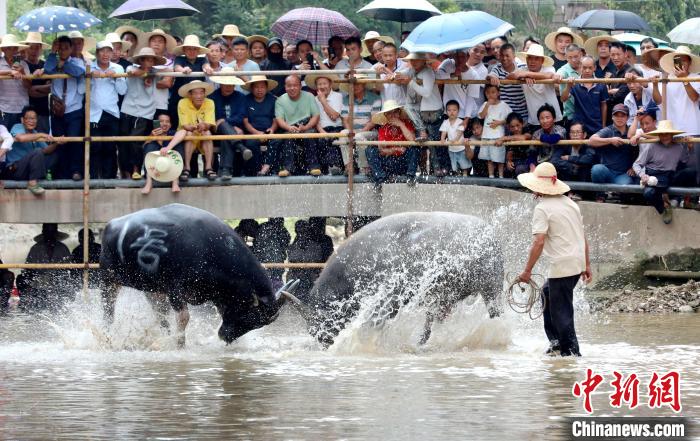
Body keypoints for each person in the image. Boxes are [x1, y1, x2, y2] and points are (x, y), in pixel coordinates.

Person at [518, 162, 591, 357]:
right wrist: (586, 264)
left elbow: (539, 242)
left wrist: (527, 271)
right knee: (547, 293)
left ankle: (571, 354)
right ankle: (556, 343)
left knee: (562, 312)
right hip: (575, 262)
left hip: (562, 265)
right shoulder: (571, 203)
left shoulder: (542, 209)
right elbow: (582, 236)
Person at [44, 35, 86, 180]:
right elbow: (47, 71)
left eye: (66, 48)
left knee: (73, 140)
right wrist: (52, 53)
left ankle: (76, 171)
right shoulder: (52, 61)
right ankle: (60, 174)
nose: (63, 51)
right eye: (60, 48)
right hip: (57, 109)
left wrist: (64, 65)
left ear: (71, 48)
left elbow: (79, 72)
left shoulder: (77, 61)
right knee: (58, 141)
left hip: (74, 109)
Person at [120, 47, 166, 180]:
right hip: (128, 109)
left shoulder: (155, 73)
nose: (149, 62)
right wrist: (146, 74)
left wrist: (150, 74)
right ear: (141, 60)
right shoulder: (131, 68)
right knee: (123, 143)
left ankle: (136, 169)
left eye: (151, 59)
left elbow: (168, 72)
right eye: (146, 59)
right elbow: (133, 72)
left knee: (136, 141)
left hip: (146, 112)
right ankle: (125, 172)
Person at [633, 121, 689, 224]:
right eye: (661, 134)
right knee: (648, 193)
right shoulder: (651, 147)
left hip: (670, 174)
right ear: (658, 135)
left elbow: (685, 160)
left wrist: (687, 145)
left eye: (666, 133)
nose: (664, 136)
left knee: (689, 172)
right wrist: (642, 175)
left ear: (672, 134)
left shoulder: (679, 147)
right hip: (654, 174)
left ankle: (686, 200)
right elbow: (636, 165)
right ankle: (664, 208)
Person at [659, 46, 700, 185]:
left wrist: (684, 80)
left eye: (684, 60)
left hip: (693, 129)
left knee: (695, 167)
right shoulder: (666, 78)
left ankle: (694, 199)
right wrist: (654, 84)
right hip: (672, 130)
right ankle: (677, 198)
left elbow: (695, 98)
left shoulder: (696, 78)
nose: (681, 63)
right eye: (678, 60)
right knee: (674, 167)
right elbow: (658, 100)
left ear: (689, 62)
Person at [4, 106, 65, 195]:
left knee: (54, 155)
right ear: (22, 120)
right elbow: (20, 138)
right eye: (28, 118)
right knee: (37, 151)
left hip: (27, 171)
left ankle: (46, 179)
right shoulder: (17, 127)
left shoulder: (35, 133)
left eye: (34, 118)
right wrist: (41, 135)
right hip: (14, 169)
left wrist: (57, 143)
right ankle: (32, 183)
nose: (31, 121)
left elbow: (46, 150)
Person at [210, 68, 258, 178]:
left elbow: (241, 116)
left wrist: (227, 122)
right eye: (225, 84)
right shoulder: (213, 97)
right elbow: (215, 119)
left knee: (226, 134)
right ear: (220, 84)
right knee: (222, 126)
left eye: (231, 84)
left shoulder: (240, 97)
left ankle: (225, 170)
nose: (228, 87)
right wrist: (225, 123)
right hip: (217, 131)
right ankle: (241, 147)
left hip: (235, 131)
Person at [89, 41, 127, 179]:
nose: (105, 54)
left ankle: (109, 179)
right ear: (97, 53)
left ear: (112, 53)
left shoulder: (118, 68)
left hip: (111, 112)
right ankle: (93, 178)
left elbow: (122, 91)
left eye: (108, 51)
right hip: (93, 114)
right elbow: (82, 90)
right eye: (102, 51)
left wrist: (115, 78)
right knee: (94, 146)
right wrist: (91, 77)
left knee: (110, 147)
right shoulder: (89, 67)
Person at [16, 223, 72, 312]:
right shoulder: (36, 248)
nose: (50, 234)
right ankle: (25, 303)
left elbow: (69, 268)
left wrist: (57, 276)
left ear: (55, 233)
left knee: (68, 282)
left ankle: (63, 305)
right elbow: (28, 268)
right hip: (38, 280)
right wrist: (34, 276)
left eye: (52, 232)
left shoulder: (62, 248)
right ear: (43, 232)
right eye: (47, 232)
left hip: (58, 279)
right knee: (20, 279)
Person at [274, 75, 321, 177]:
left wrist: (306, 127)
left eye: (295, 85)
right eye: (289, 86)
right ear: (285, 87)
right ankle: (287, 168)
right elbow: (280, 120)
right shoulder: (280, 100)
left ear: (300, 86)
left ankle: (313, 167)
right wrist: (289, 127)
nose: (292, 88)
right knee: (287, 138)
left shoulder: (309, 96)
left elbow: (316, 115)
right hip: (290, 128)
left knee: (309, 136)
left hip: (307, 126)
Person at [365, 100, 420, 187]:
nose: (393, 115)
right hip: (389, 162)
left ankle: (410, 176)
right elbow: (381, 149)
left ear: (399, 112)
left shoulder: (407, 124)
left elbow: (412, 140)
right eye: (389, 113)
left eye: (395, 112)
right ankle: (380, 177)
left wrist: (401, 125)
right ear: (386, 116)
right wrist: (396, 149)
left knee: (415, 148)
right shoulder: (383, 128)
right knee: (370, 150)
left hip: (403, 162)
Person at [509, 44, 562, 129]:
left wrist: (526, 74)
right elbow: (510, 76)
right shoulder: (522, 70)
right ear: (526, 59)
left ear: (542, 60)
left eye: (536, 58)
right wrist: (523, 76)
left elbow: (549, 75)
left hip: (553, 117)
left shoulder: (548, 68)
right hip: (534, 118)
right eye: (529, 58)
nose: (532, 61)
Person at [339, 74, 381, 175]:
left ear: (364, 84)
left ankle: (364, 167)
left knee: (359, 136)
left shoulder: (375, 98)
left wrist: (362, 131)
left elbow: (374, 120)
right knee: (342, 134)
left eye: (358, 84)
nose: (355, 86)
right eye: (352, 84)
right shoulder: (346, 99)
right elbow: (345, 119)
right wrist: (350, 131)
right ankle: (349, 166)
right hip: (353, 130)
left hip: (369, 131)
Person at [588, 103, 636, 191]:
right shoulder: (608, 130)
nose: (619, 118)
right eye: (616, 115)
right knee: (597, 170)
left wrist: (633, 167)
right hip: (607, 171)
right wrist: (610, 140)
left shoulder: (631, 132)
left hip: (622, 174)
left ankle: (614, 194)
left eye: (623, 116)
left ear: (627, 118)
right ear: (612, 117)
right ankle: (601, 194)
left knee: (627, 186)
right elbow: (591, 140)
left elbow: (639, 152)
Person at [177, 80, 217, 181]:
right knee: (191, 133)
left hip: (203, 133)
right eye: (195, 93)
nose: (199, 96)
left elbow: (209, 123)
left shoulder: (210, 102)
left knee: (207, 132)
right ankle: (187, 168)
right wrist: (195, 127)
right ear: (190, 95)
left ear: (205, 93)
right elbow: (186, 126)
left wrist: (203, 125)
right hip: (186, 135)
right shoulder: (182, 102)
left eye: (201, 93)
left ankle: (208, 168)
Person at [306, 72, 344, 174]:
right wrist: (322, 131)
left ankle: (334, 166)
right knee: (317, 139)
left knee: (333, 138)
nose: (322, 86)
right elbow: (315, 119)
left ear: (330, 85)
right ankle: (320, 169)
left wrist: (323, 101)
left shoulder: (338, 96)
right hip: (321, 129)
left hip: (336, 127)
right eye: (319, 84)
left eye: (324, 83)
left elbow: (334, 117)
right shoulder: (313, 99)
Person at [561, 56, 609, 135]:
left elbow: (604, 105)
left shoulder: (601, 84)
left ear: (595, 68)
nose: (587, 70)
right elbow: (563, 99)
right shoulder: (574, 83)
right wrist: (568, 86)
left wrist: (603, 125)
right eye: (584, 67)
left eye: (590, 68)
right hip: (579, 126)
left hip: (596, 125)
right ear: (580, 67)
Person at [242, 75, 279, 176]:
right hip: (252, 132)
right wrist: (257, 133)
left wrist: (272, 129)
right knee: (250, 143)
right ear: (252, 88)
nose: (259, 90)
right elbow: (245, 122)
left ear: (266, 88)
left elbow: (276, 119)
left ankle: (266, 168)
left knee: (276, 141)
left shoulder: (273, 100)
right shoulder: (245, 100)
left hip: (269, 132)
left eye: (262, 87)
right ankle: (257, 170)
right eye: (257, 87)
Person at [141, 113, 185, 194]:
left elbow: (183, 131)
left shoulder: (172, 133)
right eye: (161, 121)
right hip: (155, 169)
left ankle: (175, 182)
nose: (164, 123)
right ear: (156, 123)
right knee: (150, 146)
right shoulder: (152, 134)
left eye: (167, 121)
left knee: (177, 145)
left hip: (171, 168)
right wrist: (152, 137)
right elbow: (144, 149)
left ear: (170, 124)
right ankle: (149, 182)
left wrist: (168, 148)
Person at [487, 43, 528, 122]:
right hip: (505, 115)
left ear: (514, 56)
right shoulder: (497, 68)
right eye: (502, 55)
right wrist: (492, 77)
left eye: (507, 55)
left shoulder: (522, 67)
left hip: (523, 113)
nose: (504, 58)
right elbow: (490, 75)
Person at [478, 84, 512, 178]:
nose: (490, 95)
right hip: (486, 135)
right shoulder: (485, 104)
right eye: (488, 93)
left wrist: (499, 122)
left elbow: (509, 119)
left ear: (498, 93)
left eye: (493, 92)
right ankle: (491, 175)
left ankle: (501, 176)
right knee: (489, 158)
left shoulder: (503, 105)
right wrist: (487, 105)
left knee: (499, 158)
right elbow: (481, 116)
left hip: (498, 135)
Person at [21, 32, 52, 134]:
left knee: (43, 140)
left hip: (43, 110)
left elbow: (50, 87)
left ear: (41, 49)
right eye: (31, 47)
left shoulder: (45, 65)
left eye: (37, 47)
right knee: (26, 142)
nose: (34, 51)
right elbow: (28, 91)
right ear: (26, 48)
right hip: (26, 111)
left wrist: (35, 88)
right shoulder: (22, 65)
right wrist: (37, 89)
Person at [143, 29, 177, 118]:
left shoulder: (170, 63)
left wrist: (148, 76)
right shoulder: (139, 61)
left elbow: (166, 83)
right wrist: (161, 73)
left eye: (160, 41)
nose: (156, 44)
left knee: (158, 130)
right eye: (153, 41)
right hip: (140, 105)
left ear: (165, 45)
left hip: (160, 105)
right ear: (149, 43)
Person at [0, 34, 31, 130]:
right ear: (4, 49)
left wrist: (22, 72)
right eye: (9, 48)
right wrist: (10, 71)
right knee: (4, 140)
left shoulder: (23, 64)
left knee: (21, 141)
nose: (13, 51)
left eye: (15, 48)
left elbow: (28, 86)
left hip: (22, 108)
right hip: (3, 108)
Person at [252, 218, 291, 286]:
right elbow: (287, 241)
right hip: (274, 261)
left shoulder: (263, 227)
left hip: (266, 261)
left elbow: (256, 243)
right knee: (275, 281)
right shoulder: (281, 229)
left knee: (267, 280)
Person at [440, 100, 471, 175]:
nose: (452, 112)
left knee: (464, 165)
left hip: (461, 148)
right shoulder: (445, 122)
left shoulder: (460, 121)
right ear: (446, 111)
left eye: (454, 110)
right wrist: (442, 139)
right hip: (451, 149)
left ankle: (465, 176)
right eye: (449, 110)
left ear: (458, 111)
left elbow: (460, 132)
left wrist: (455, 139)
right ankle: (457, 177)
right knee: (454, 166)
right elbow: (444, 132)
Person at [499, 112, 534, 177]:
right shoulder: (510, 135)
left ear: (522, 123)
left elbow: (523, 138)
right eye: (512, 127)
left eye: (518, 125)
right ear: (509, 127)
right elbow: (510, 151)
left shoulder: (527, 129)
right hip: (517, 160)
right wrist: (509, 161)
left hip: (529, 160)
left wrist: (505, 138)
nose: (516, 128)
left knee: (520, 169)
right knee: (506, 169)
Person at [556, 44, 583, 126]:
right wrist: (558, 77)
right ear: (566, 57)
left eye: (576, 56)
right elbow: (558, 74)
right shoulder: (563, 69)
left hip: (588, 113)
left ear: (580, 55)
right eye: (570, 57)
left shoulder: (586, 66)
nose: (573, 60)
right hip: (571, 115)